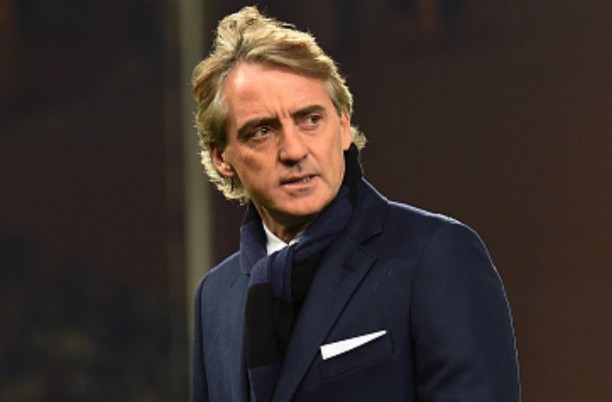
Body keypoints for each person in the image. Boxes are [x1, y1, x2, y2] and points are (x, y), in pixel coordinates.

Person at [191, 6, 520, 402]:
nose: (294, 150)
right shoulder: (215, 296)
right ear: (222, 158)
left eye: (311, 119)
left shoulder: (435, 255)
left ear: (344, 126)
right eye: (262, 131)